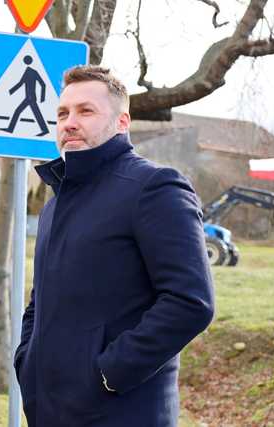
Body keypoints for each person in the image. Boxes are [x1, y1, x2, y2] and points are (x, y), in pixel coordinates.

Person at [14, 65, 215, 427]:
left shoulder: (154, 188)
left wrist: (107, 374)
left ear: (122, 122)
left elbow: (191, 302)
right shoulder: (54, 203)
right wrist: (27, 362)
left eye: (85, 111)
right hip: (49, 410)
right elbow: (39, 300)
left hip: (120, 412)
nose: (69, 123)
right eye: (63, 113)